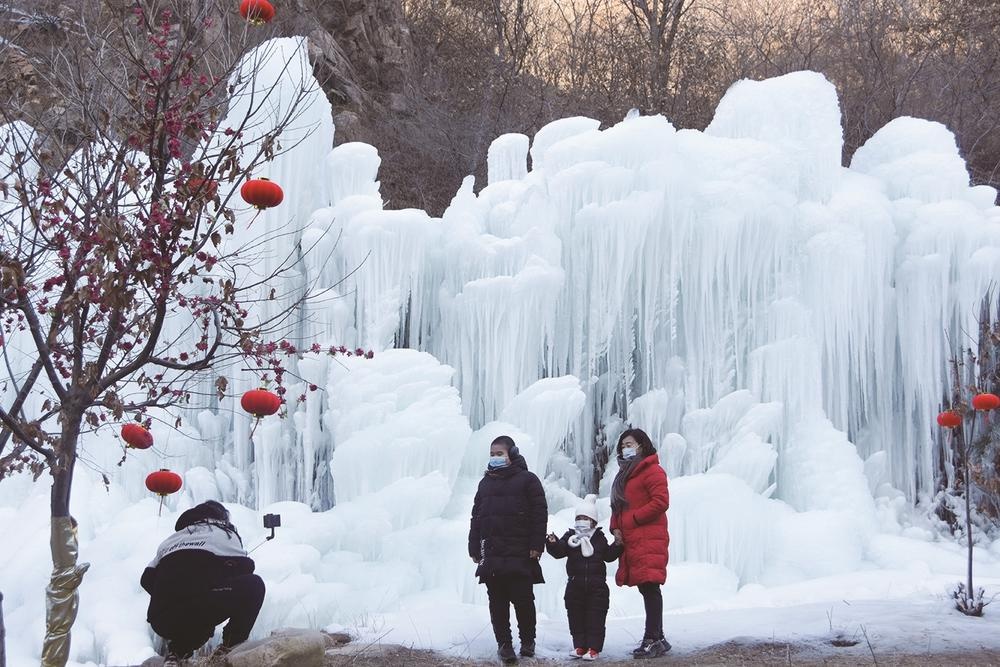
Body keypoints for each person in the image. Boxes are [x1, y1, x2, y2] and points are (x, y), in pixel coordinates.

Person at [140, 500, 265, 666]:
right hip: (200, 608)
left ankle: (175, 654)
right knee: (254, 585)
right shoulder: (224, 532)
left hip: (161, 618)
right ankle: (229, 649)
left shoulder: (170, 541)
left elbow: (146, 579)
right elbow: (246, 568)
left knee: (198, 621)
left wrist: (170, 594)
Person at [468, 435, 547, 665]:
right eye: (492, 454)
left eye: (499, 454)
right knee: (497, 601)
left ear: (512, 454)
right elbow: (477, 517)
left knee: (523, 599)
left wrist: (536, 544)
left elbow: (539, 514)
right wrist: (474, 546)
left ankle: (528, 641)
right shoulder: (485, 483)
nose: (495, 458)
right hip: (492, 552)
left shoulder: (528, 480)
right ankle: (504, 644)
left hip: (520, 551)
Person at [609, 429, 671, 659]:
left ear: (642, 445)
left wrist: (633, 519)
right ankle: (659, 637)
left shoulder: (652, 470)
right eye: (623, 445)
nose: (625, 448)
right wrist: (616, 527)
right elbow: (617, 506)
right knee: (646, 587)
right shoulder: (625, 475)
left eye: (630, 444)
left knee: (650, 586)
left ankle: (652, 638)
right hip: (633, 537)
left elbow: (661, 501)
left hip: (648, 536)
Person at [545, 494, 622, 661]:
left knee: (596, 618)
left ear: (593, 520)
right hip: (574, 585)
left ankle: (594, 648)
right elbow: (560, 551)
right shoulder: (571, 536)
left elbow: (608, 556)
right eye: (579, 517)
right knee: (576, 617)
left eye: (585, 517)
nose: (581, 520)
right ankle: (580, 646)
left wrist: (617, 546)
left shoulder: (599, 538)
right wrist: (551, 543)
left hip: (597, 587)